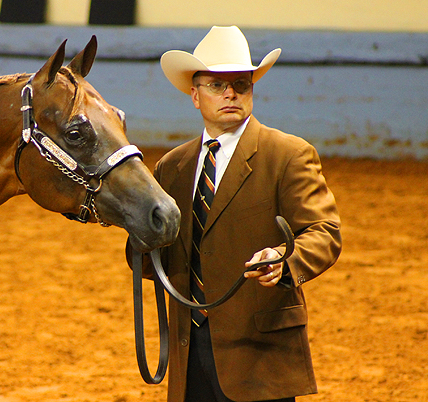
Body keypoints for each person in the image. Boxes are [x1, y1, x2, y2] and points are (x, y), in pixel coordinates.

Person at [127, 26, 341, 402]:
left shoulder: (288, 155)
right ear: (194, 95)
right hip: (188, 349)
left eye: (241, 84)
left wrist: (285, 260)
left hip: (259, 353)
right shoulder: (171, 167)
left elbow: (324, 231)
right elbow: (152, 257)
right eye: (216, 85)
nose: (230, 93)